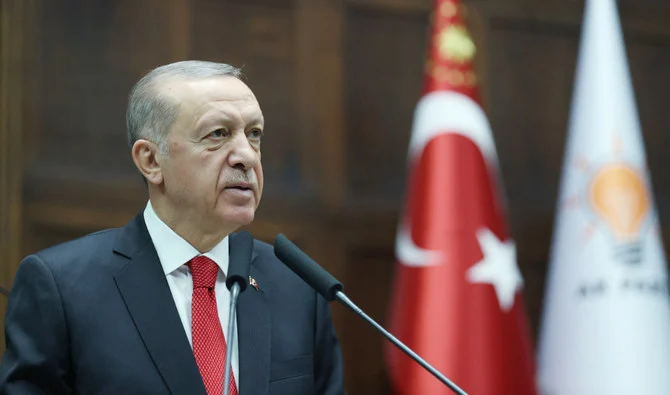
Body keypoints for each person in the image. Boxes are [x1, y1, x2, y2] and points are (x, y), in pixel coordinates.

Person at [0, 60, 345, 395]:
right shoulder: (62, 288)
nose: (247, 156)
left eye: (254, 134)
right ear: (151, 160)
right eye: (218, 134)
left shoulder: (298, 287)